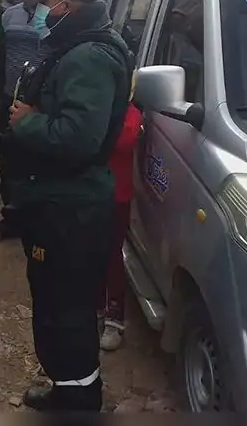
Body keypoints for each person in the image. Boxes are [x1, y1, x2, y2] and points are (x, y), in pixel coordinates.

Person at [6, 0, 133, 411]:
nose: (41, 12)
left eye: (46, 4)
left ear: (65, 4)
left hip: (70, 206)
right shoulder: (78, 46)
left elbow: (80, 138)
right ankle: (69, 388)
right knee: (58, 303)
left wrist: (27, 122)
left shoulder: (88, 57)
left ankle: (78, 401)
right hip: (60, 199)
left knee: (67, 309)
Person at [0, 0, 54, 240]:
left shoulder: (56, 19)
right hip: (10, 95)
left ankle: (34, 211)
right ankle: (11, 211)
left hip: (39, 101)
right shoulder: (9, 16)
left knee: (35, 157)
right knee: (9, 157)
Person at [99, 90, 142, 351]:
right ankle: (96, 307)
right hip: (89, 192)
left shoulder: (130, 113)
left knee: (112, 257)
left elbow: (124, 140)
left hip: (117, 197)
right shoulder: (93, 105)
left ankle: (114, 318)